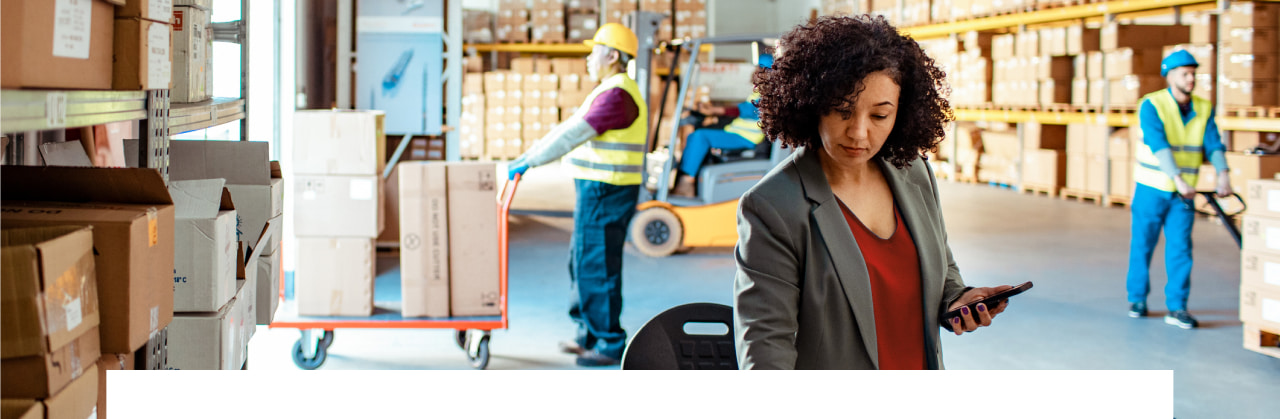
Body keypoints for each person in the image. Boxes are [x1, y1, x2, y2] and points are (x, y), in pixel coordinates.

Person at [733, 15, 1016, 370]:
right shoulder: (772, 206)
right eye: (842, 111)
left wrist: (958, 300)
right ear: (811, 104)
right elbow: (765, 346)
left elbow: (943, 273)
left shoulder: (914, 173)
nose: (859, 134)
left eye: (880, 116)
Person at [506, 23, 647, 367]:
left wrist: (530, 161)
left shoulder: (617, 95)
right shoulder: (609, 90)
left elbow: (572, 135)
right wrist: (530, 154)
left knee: (596, 265)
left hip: (607, 190)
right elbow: (567, 129)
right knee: (581, 261)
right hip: (599, 189)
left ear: (612, 56)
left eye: (593, 50)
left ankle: (609, 343)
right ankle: (587, 333)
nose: (588, 57)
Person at [1126, 50, 1231, 329]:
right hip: (1151, 188)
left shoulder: (1204, 107)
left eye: (1194, 72)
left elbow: (1214, 143)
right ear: (1169, 75)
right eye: (1185, 73)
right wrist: (1179, 179)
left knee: (1181, 249)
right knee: (1143, 245)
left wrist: (1224, 175)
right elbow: (1157, 144)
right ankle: (1137, 299)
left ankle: (1177, 307)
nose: (1191, 78)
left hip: (1182, 196)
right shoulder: (1152, 105)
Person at [670, 54, 773, 197]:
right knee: (702, 132)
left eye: (759, 69)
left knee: (700, 136)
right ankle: (690, 181)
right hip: (739, 134)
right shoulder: (759, 92)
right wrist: (712, 112)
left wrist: (716, 110)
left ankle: (687, 183)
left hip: (746, 138)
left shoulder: (769, 96)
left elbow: (747, 110)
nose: (755, 72)